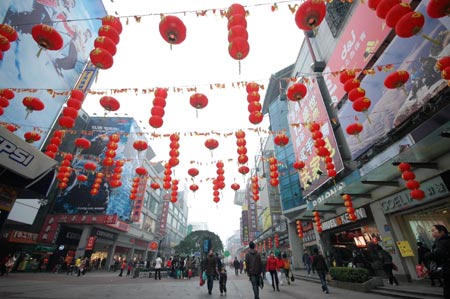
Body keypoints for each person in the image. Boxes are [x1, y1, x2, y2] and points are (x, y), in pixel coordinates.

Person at [428, 224, 450, 298]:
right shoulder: (445, 239)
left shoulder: (441, 241)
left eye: (433, 230)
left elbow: (439, 253)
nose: (432, 233)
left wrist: (428, 255)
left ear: (442, 231)